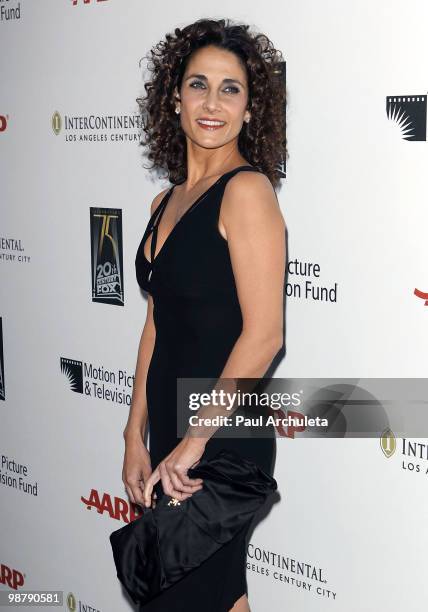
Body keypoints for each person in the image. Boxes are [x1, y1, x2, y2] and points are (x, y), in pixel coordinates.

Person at [122, 17, 287, 612]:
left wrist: (194, 442)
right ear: (174, 97)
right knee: (209, 596)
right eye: (198, 85)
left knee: (192, 594)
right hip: (172, 422)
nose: (212, 103)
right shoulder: (163, 201)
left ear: (250, 110)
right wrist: (133, 432)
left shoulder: (247, 192)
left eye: (230, 89)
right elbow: (155, 326)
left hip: (221, 432)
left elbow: (265, 334)